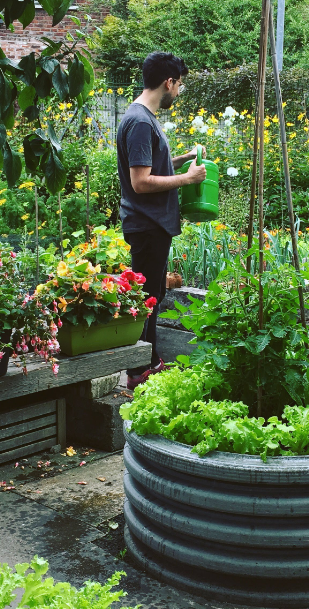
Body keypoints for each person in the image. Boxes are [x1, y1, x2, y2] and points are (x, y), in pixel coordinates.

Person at [116, 51, 205, 389]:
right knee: (146, 299)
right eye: (179, 85)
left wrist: (182, 159)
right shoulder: (140, 121)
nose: (178, 93)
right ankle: (140, 371)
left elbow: (151, 166)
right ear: (168, 82)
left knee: (150, 294)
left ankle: (148, 362)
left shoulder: (143, 117)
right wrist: (187, 179)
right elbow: (141, 181)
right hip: (147, 224)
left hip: (151, 224)